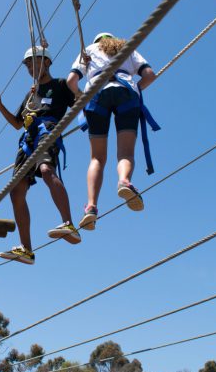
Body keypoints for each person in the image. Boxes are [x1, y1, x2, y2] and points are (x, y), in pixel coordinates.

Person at [0, 46, 81, 265]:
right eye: (28, 65)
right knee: (16, 191)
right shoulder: (31, 95)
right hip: (28, 139)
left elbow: (79, 99)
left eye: (34, 62)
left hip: (47, 131)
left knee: (47, 169)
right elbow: (17, 123)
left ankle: (68, 223)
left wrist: (80, 72)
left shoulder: (60, 85)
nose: (31, 67)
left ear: (47, 62)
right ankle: (26, 249)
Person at [66, 32, 159, 231]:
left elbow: (71, 81)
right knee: (125, 153)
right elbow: (150, 75)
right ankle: (124, 181)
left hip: (97, 95)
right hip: (126, 92)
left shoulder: (89, 50)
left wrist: (82, 96)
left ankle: (91, 206)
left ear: (96, 42)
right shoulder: (128, 47)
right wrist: (136, 88)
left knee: (97, 158)